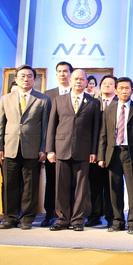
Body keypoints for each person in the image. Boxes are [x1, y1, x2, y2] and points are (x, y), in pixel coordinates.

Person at [0, 64, 51, 230]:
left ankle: (27, 218)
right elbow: (0, 125)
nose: (25, 79)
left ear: (34, 79)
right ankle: (9, 217)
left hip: (32, 148)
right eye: (22, 76)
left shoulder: (43, 99)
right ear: (16, 79)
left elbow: (46, 127)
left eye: (29, 76)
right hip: (10, 147)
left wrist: (43, 148)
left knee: (30, 186)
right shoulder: (6, 98)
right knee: (9, 185)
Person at [46, 69, 101, 232]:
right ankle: (62, 219)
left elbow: (96, 129)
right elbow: (51, 126)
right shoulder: (58, 100)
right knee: (61, 186)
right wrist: (50, 150)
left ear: (86, 83)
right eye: (75, 79)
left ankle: (78, 220)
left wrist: (94, 151)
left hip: (83, 149)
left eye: (81, 79)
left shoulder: (94, 102)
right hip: (61, 148)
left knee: (81, 188)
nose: (78, 82)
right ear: (70, 81)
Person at [98, 77, 133, 234]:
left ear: (132, 90)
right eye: (121, 88)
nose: (124, 91)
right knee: (114, 189)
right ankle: (117, 221)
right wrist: (101, 156)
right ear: (116, 90)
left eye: (127, 88)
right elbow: (103, 134)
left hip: (131, 153)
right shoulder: (109, 109)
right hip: (113, 153)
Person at [43, 60, 73, 227]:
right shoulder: (48, 94)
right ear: (56, 74)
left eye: (66, 71)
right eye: (60, 71)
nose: (63, 74)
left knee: (71, 183)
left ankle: (70, 214)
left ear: (71, 74)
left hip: (73, 146)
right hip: (54, 146)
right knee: (52, 182)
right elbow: (47, 124)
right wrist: (48, 149)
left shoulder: (78, 93)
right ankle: (50, 214)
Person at [87, 74, 117, 227]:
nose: (107, 85)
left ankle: (112, 217)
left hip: (113, 151)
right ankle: (95, 215)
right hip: (94, 150)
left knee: (111, 185)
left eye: (111, 83)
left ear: (115, 88)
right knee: (95, 185)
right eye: (104, 83)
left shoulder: (120, 103)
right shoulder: (93, 102)